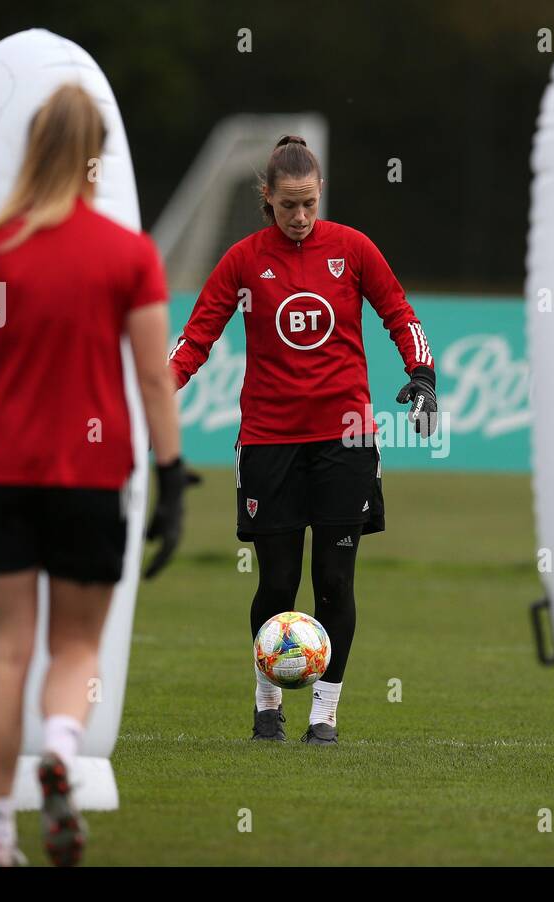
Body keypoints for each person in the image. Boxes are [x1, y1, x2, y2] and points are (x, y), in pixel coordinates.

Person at [0, 83, 184, 866]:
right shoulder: (129, 254)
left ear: (32, 148)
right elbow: (155, 379)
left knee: (7, 653)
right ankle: (61, 745)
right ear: (96, 156)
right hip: (93, 478)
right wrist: (173, 474)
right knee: (76, 650)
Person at [168, 135, 436, 746]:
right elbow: (197, 335)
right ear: (267, 198)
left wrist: (421, 375)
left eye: (309, 203)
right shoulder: (242, 260)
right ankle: (268, 708)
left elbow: (400, 313)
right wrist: (157, 391)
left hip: (345, 440)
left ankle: (325, 716)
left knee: (335, 583)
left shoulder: (353, 249)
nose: (300, 216)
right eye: (288, 204)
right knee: (276, 583)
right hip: (269, 442)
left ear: (320, 196)